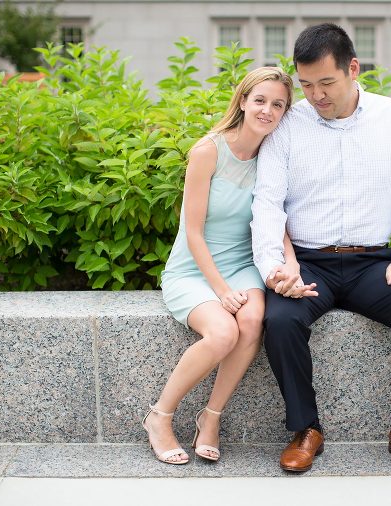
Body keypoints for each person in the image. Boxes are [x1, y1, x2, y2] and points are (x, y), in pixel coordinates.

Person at [251, 24, 391, 474]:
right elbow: (267, 202)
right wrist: (275, 268)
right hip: (309, 262)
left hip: (373, 263)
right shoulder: (289, 125)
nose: (315, 95)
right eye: (305, 85)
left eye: (326, 83)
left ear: (353, 69)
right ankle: (306, 430)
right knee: (279, 320)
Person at [143, 67, 307, 465]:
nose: (267, 110)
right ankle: (159, 417)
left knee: (252, 322)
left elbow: (273, 217)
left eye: (278, 104)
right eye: (260, 100)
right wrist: (220, 291)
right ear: (243, 101)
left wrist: (291, 261)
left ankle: (210, 416)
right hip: (194, 269)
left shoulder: (273, 155)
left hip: (242, 263)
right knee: (221, 333)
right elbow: (193, 232)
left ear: (285, 113)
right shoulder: (207, 151)